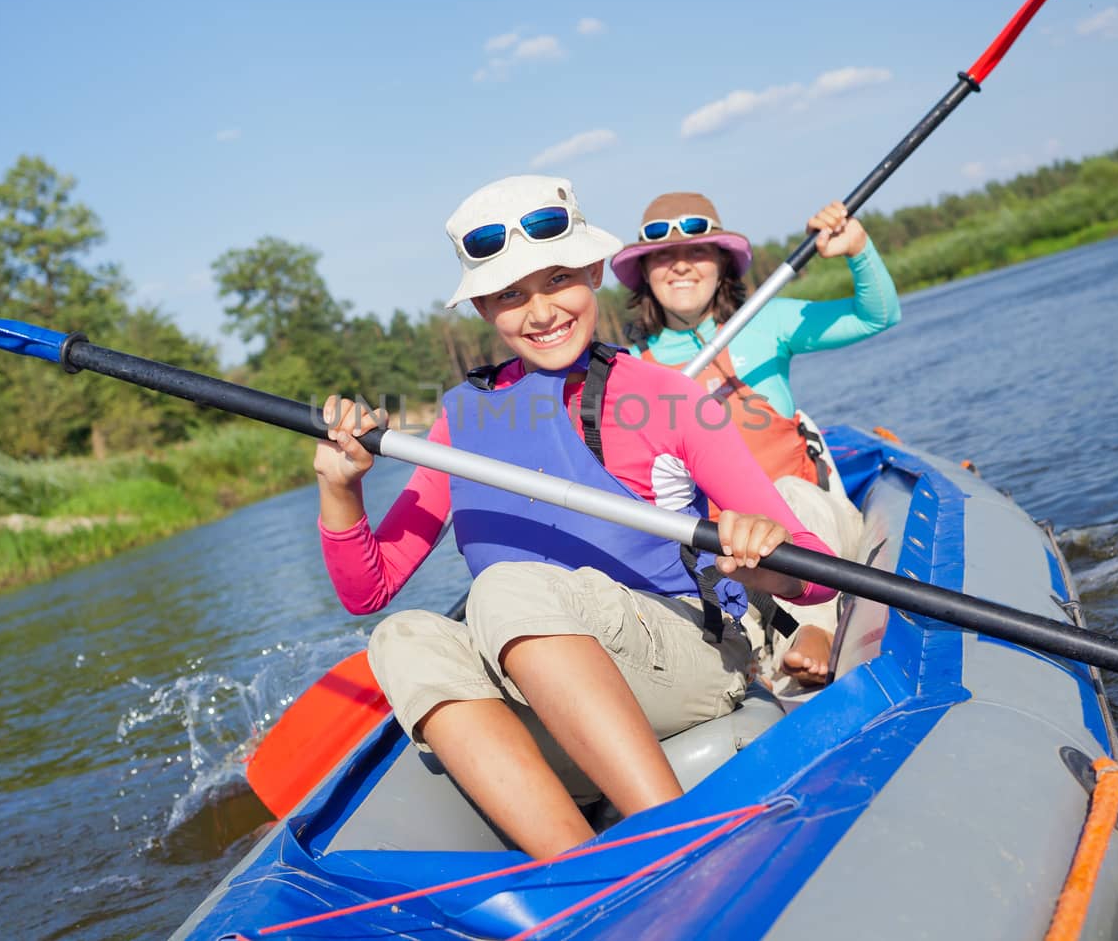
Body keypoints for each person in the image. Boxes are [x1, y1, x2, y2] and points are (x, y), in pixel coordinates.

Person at [313, 174, 836, 859]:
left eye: (558, 278)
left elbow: (817, 576)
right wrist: (341, 487)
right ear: (482, 308)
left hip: (688, 659)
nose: (540, 311)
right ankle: (585, 870)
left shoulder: (667, 397)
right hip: (550, 687)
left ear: (593, 270)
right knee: (402, 635)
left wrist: (765, 556)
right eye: (510, 294)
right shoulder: (459, 419)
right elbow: (368, 589)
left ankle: (678, 851)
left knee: (502, 588)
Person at [610, 191, 900, 692]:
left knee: (787, 497)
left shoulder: (767, 323)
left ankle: (816, 629)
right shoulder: (626, 370)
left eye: (697, 252)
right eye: (663, 256)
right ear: (646, 274)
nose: (680, 266)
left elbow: (876, 316)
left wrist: (857, 249)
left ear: (721, 265)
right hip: (720, 552)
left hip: (806, 528)